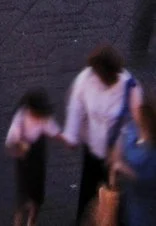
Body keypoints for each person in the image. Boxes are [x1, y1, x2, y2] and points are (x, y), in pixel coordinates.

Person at [64, 47, 140, 222]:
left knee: (116, 199)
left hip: (118, 155)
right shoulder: (86, 80)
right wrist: (72, 135)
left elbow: (138, 118)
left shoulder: (129, 86)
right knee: (88, 192)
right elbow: (76, 107)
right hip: (93, 151)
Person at [6, 88, 63, 226]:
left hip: (38, 160)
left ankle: (32, 219)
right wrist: (20, 145)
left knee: (37, 192)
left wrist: (67, 140)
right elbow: (10, 144)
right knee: (23, 191)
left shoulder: (43, 117)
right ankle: (19, 219)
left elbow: (54, 131)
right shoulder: (19, 120)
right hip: (24, 162)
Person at [113, 93, 156, 226]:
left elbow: (143, 179)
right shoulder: (133, 129)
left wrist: (120, 167)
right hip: (134, 206)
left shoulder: (150, 154)